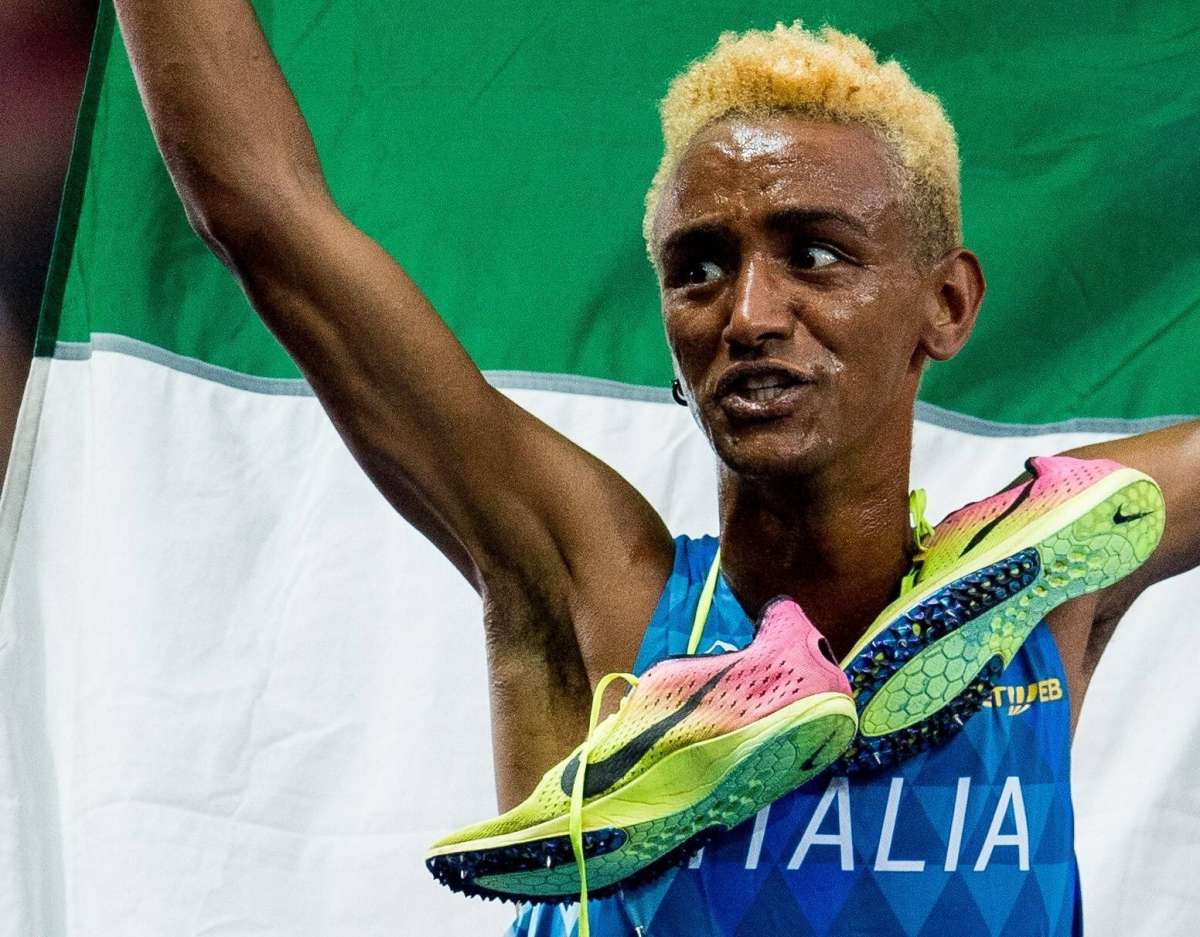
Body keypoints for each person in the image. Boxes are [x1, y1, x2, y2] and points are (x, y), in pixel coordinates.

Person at [111, 6, 1199, 935]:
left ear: (947, 305)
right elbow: (266, 213)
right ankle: (703, 709)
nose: (749, 314)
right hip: (677, 647)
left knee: (1092, 520)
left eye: (816, 253)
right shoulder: (602, 592)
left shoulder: (1044, 587)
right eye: (699, 269)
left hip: (1014, 569)